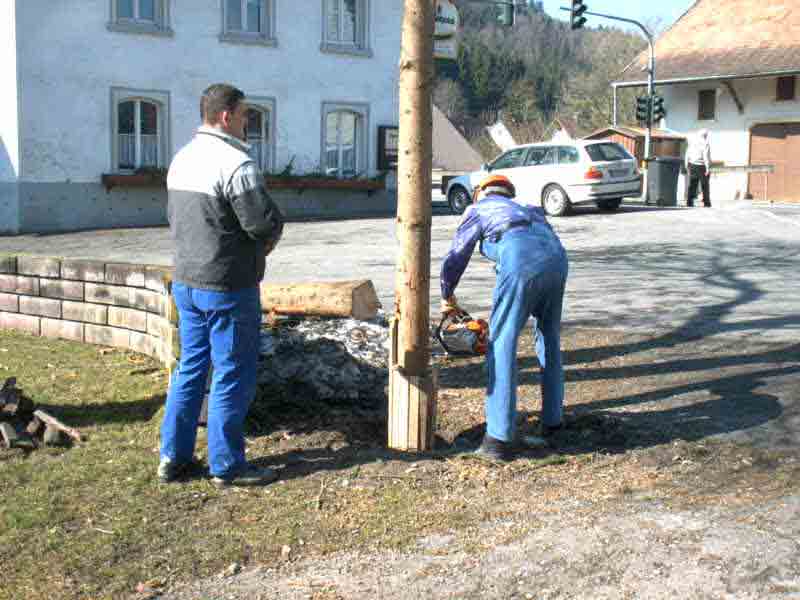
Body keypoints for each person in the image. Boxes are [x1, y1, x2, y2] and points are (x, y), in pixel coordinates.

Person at [158, 83, 284, 486]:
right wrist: (264, 247)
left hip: (186, 282)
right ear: (226, 116)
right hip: (228, 287)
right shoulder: (236, 164)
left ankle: (173, 457)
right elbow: (263, 224)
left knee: (190, 369)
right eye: (245, 115)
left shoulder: (181, 159)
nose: (248, 123)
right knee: (232, 372)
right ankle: (226, 466)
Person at [440, 175, 569, 461]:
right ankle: (553, 422)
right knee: (549, 336)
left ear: (481, 192)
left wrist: (446, 294)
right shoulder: (528, 209)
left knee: (501, 342)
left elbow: (457, 255)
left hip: (521, 259)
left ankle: (498, 439)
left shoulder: (478, 209)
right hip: (557, 260)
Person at [686, 129, 712, 207]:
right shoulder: (705, 143)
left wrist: (686, 164)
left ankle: (689, 202)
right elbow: (705, 156)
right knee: (705, 185)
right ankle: (707, 203)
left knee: (693, 184)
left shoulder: (692, 141)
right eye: (706, 135)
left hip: (692, 164)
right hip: (702, 166)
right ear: (705, 135)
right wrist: (707, 168)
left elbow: (687, 153)